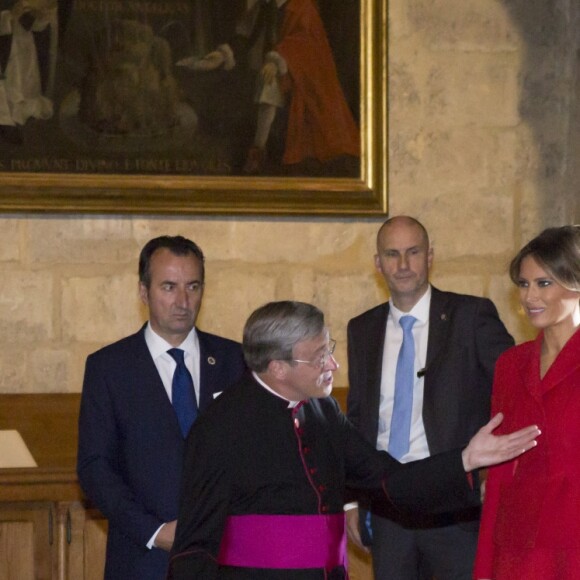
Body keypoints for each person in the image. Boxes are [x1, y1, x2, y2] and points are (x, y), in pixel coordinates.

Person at [168, 300, 539, 579]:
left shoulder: (323, 411)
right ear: (278, 368)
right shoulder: (220, 426)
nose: (334, 366)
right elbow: (194, 545)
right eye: (319, 357)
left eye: (329, 349)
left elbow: (388, 481)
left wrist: (465, 460)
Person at [346, 216, 515, 580]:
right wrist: (352, 502)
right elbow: (358, 419)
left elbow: (513, 389)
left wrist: (492, 475)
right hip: (389, 503)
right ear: (377, 263)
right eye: (392, 254)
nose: (403, 265)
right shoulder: (362, 329)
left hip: (456, 503)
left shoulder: (470, 316)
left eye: (413, 252)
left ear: (430, 257)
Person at [77, 235, 246, 580]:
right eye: (169, 287)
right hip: (142, 559)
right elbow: (95, 468)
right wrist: (155, 532)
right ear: (143, 292)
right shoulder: (110, 368)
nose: (183, 301)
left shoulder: (235, 360)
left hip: (225, 558)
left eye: (193, 286)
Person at [474, 225, 580, 580]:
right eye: (523, 283)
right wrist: (487, 563)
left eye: (543, 283)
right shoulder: (511, 364)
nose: (529, 296)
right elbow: (499, 470)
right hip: (517, 547)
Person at [179, 0, 360, 174]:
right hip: (273, 70)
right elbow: (243, 38)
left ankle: (258, 149)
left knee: (268, 80)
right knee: (251, 81)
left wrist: (277, 60)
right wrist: (221, 55)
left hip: (302, 77)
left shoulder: (302, 7)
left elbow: (307, 46)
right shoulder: (263, 6)